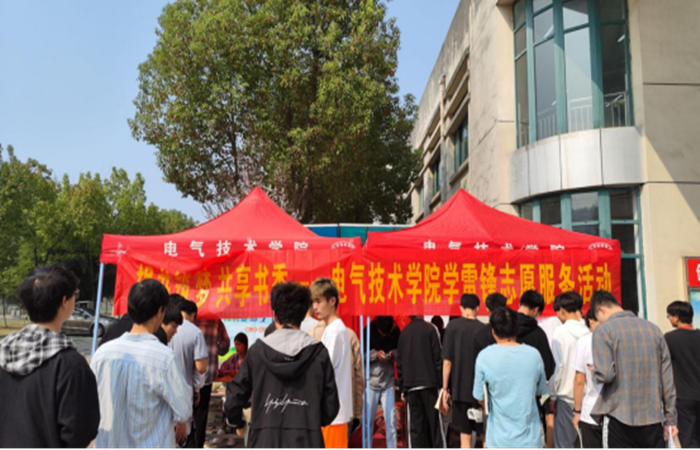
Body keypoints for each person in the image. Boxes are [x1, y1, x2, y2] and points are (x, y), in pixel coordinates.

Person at [224, 282, 340, 449]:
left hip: (264, 441)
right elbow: (331, 407)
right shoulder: (319, 353)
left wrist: (238, 423)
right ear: (302, 316)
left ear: (275, 316)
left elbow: (233, 399)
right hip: (307, 441)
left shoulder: (257, 352)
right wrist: (310, 422)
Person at [0, 266, 100, 449]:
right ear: (64, 301)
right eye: (75, 294)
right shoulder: (70, 364)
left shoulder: (3, 350)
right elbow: (80, 430)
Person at [92, 280, 192, 449]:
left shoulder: (102, 354)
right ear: (160, 311)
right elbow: (184, 409)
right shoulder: (164, 358)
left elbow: (90, 405)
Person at [590, 290, 677, 449]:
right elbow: (667, 380)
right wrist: (670, 419)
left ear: (601, 310)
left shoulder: (603, 331)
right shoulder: (654, 330)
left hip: (619, 416)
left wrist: (595, 371)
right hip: (653, 418)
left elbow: (606, 374)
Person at [473, 307, 548, 449]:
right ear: (516, 329)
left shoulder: (484, 357)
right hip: (530, 439)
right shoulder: (534, 355)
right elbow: (540, 391)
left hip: (498, 440)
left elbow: (479, 397)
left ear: (493, 332)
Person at [312, 278, 354, 450]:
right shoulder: (334, 329)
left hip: (333, 413)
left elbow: (321, 372)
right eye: (313, 302)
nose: (315, 307)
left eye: (318, 301)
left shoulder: (335, 331)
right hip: (335, 412)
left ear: (332, 301)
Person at [442, 294, 485, 450]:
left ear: (461, 307)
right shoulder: (484, 329)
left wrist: (445, 388)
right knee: (484, 435)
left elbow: (447, 362)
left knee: (465, 437)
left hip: (460, 391)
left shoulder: (452, 327)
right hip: (480, 393)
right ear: (477, 308)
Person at [397, 316, 446, 450]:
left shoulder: (404, 333)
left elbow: (399, 363)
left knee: (416, 429)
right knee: (435, 427)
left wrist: (403, 387)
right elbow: (438, 358)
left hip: (411, 386)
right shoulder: (431, 329)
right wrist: (442, 385)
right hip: (430, 385)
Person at [169, 296, 209, 449]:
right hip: (185, 396)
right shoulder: (194, 332)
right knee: (185, 438)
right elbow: (201, 368)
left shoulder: (161, 328)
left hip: (164, 398)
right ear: (192, 315)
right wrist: (197, 388)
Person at [551, 291, 589, 449]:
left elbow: (558, 367)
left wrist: (552, 395)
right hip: (588, 399)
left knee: (565, 444)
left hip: (567, 398)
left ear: (561, 311)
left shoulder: (560, 332)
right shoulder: (590, 330)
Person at [665, 301, 700, 449]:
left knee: (689, 439)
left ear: (676, 317)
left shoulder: (669, 339)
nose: (669, 319)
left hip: (683, 397)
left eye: (669, 316)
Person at [193, 318, 230, 449]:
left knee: (187, 414)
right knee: (201, 415)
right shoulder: (216, 321)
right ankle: (198, 444)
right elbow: (225, 347)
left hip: (190, 375)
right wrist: (214, 347)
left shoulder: (190, 320)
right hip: (208, 374)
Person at [367, 316, 401, 450]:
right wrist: (375, 355)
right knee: (368, 421)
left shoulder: (395, 330)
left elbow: (401, 352)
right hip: (371, 382)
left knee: (391, 420)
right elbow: (360, 355)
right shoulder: (368, 330)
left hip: (388, 381)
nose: (385, 336)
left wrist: (393, 354)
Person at [572, 308, 604, 449]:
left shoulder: (584, 342)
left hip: (590, 410)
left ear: (590, 321)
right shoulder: (617, 338)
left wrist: (577, 411)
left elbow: (579, 380)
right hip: (615, 413)